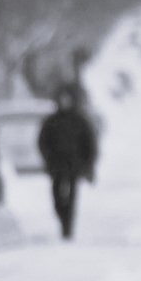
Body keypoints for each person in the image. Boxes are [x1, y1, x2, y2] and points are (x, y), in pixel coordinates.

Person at [37, 85, 98, 240]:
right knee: (57, 197)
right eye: (62, 99)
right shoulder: (51, 121)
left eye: (67, 99)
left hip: (74, 165)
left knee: (71, 197)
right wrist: (48, 157)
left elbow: (89, 143)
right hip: (56, 165)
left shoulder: (80, 121)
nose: (65, 102)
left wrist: (88, 163)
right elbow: (42, 141)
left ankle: (68, 227)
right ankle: (62, 218)